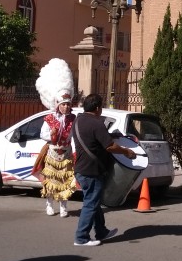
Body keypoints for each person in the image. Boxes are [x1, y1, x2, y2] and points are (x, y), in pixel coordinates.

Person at [72, 93, 136, 246]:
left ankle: (101, 231)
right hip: (92, 171)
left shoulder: (78, 121)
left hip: (81, 168)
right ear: (98, 108)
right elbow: (109, 146)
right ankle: (81, 238)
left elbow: (94, 139)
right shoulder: (96, 123)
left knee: (93, 201)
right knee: (91, 203)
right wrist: (127, 151)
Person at [33, 58, 77, 217]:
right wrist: (50, 135)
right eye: (63, 104)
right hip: (52, 152)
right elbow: (42, 134)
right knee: (51, 180)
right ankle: (49, 204)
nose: (66, 106)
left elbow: (74, 136)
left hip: (65, 153)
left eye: (68, 104)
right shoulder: (50, 119)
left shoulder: (73, 119)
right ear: (57, 104)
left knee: (65, 181)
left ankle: (64, 207)